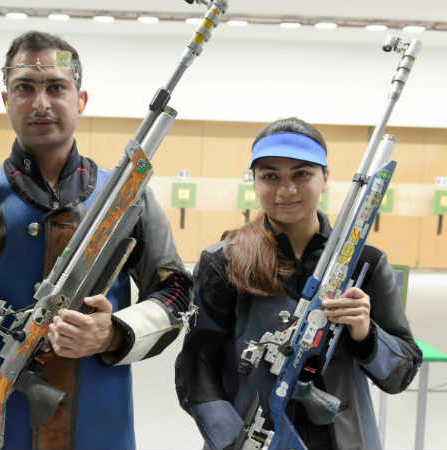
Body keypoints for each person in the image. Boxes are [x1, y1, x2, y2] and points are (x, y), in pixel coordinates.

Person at [0, 31, 192, 450]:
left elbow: (176, 293)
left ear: (81, 100)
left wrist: (114, 333)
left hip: (102, 433)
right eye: (25, 88)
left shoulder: (127, 200)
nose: (41, 103)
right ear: (6, 99)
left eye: (56, 87)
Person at [175, 117, 422, 450]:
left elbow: (401, 373)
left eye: (301, 174)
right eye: (270, 176)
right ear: (254, 181)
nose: (286, 190)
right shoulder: (224, 260)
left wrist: (366, 334)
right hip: (250, 438)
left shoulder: (365, 262)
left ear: (325, 177)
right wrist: (233, 440)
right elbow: (196, 367)